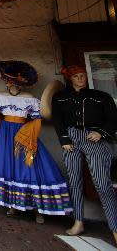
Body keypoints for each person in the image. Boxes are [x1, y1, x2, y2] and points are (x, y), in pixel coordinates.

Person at [0, 61, 72, 223]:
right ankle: (12, 205)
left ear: (22, 83)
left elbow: (36, 120)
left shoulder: (29, 99)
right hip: (4, 136)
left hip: (24, 136)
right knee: (8, 167)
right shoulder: (0, 97)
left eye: (15, 81)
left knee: (31, 168)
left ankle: (39, 209)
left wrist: (26, 134)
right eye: (9, 80)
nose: (11, 84)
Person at [52, 65, 117, 241]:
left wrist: (101, 133)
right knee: (74, 181)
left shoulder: (100, 96)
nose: (81, 78)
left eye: (82, 75)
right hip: (71, 138)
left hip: (93, 137)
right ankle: (78, 221)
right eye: (76, 76)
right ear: (70, 79)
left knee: (102, 183)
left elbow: (113, 119)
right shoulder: (60, 98)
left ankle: (115, 227)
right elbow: (58, 120)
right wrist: (64, 140)